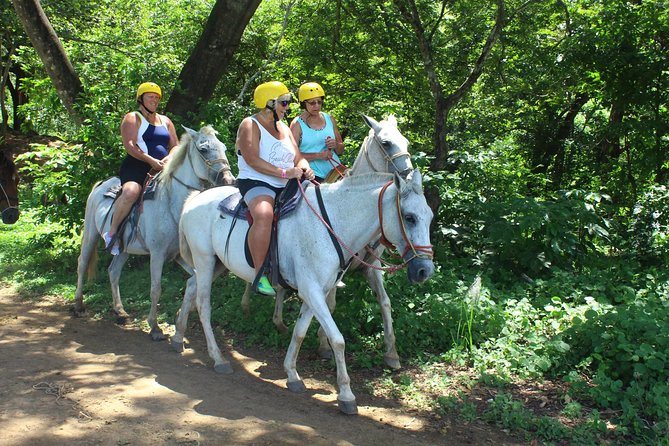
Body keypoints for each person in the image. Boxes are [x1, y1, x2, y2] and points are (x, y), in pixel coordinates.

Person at [236, 80, 315, 296]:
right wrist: (284, 172)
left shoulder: (283, 128)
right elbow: (252, 159)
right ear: (268, 103)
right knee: (264, 214)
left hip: (287, 181)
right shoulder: (249, 125)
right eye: (284, 103)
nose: (287, 107)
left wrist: (305, 167)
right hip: (257, 181)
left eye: (287, 103)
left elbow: (298, 157)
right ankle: (260, 274)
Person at [103, 82, 179, 255]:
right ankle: (112, 233)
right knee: (130, 192)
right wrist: (150, 160)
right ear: (141, 98)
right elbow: (129, 145)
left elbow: (175, 145)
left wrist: (169, 158)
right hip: (137, 165)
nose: (154, 100)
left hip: (163, 167)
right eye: (150, 97)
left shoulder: (165, 121)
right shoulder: (133, 117)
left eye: (157, 98)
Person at [290, 82, 345, 183]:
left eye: (319, 102)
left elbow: (341, 149)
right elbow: (291, 156)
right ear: (303, 104)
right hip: (311, 175)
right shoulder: (297, 124)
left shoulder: (329, 119)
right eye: (312, 103)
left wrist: (336, 145)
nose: (317, 106)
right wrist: (318, 156)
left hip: (336, 172)